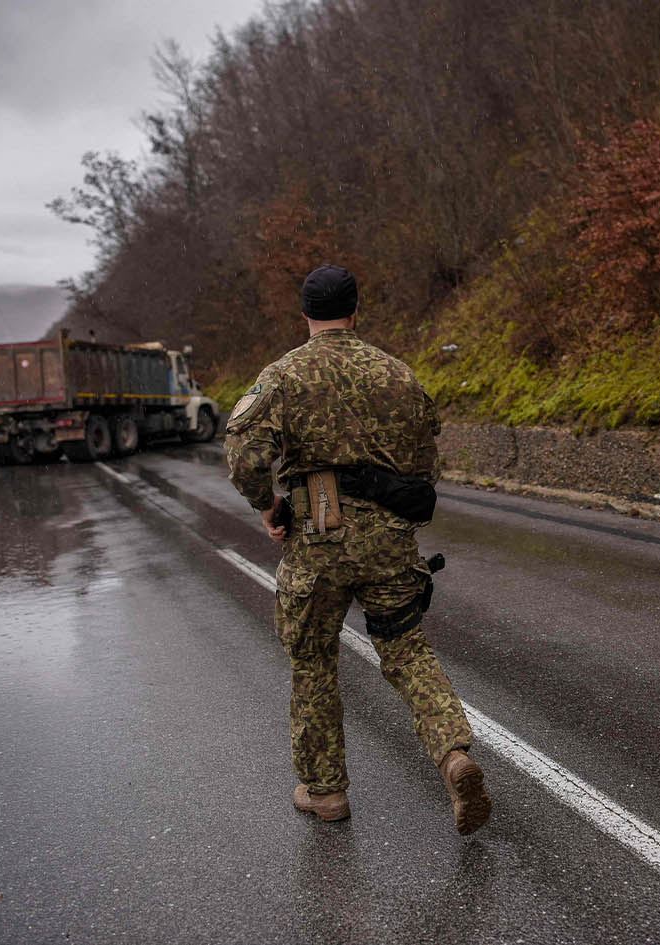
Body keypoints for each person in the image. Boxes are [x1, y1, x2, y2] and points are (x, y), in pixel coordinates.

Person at [224, 264, 491, 836]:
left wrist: (270, 508)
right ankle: (453, 756)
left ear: (305, 316)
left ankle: (326, 793)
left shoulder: (283, 375)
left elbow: (244, 458)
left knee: (314, 660)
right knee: (406, 650)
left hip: (317, 541)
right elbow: (424, 470)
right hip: (390, 541)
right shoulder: (398, 376)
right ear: (356, 310)